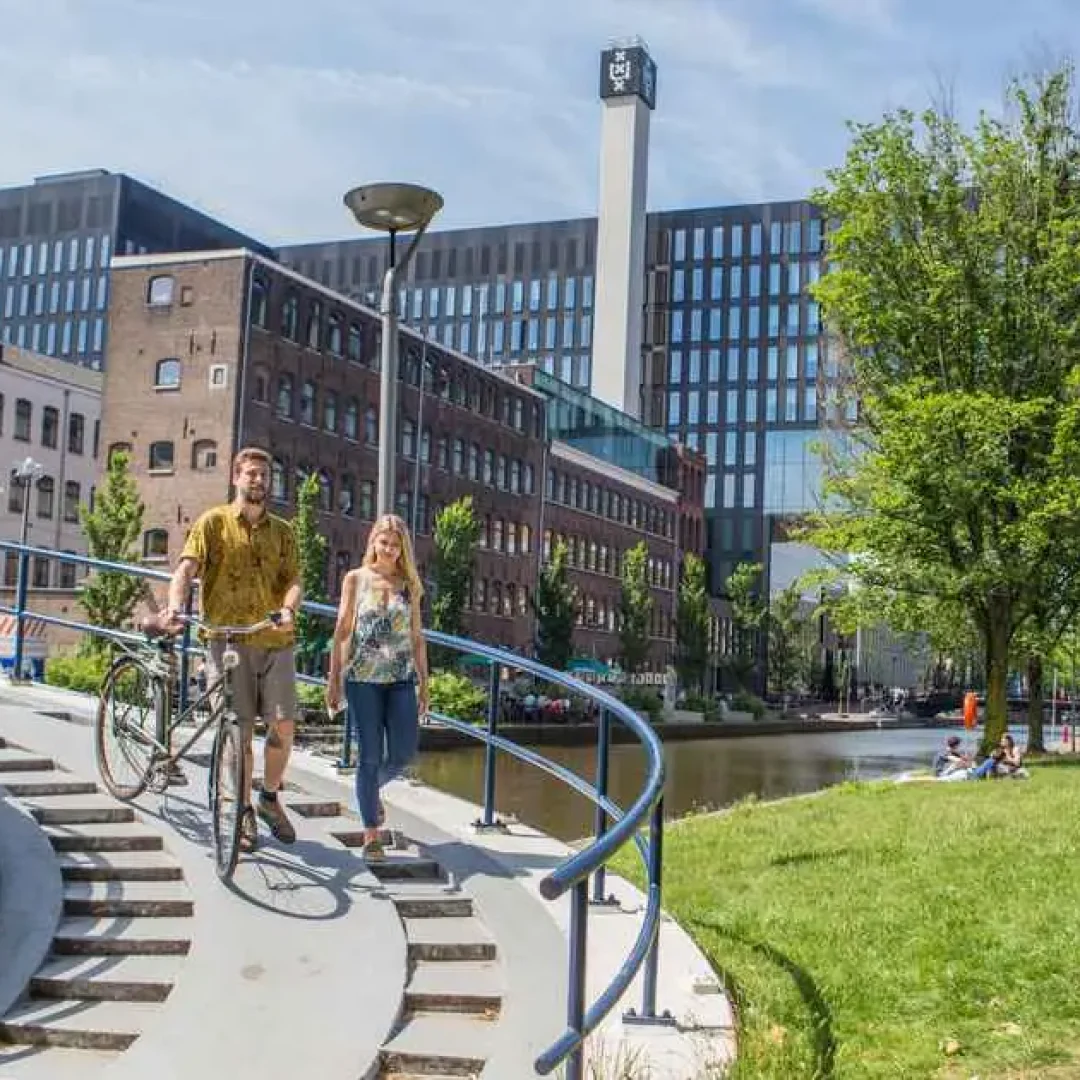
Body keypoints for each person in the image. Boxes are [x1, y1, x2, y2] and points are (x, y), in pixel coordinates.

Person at [162, 447, 302, 853]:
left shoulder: (283, 531)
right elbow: (186, 569)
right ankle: (241, 811)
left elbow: (294, 579)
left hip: (274, 639)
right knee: (238, 733)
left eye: (264, 475)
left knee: (283, 727)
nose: (258, 481)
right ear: (236, 478)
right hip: (227, 641)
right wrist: (176, 604)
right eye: (251, 474)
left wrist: (288, 608)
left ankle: (270, 798)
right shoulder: (213, 523)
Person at [327, 514, 429, 861]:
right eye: (383, 542)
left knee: (402, 753)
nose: (388, 549)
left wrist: (425, 684)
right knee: (369, 756)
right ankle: (371, 835)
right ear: (373, 542)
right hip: (362, 680)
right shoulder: (355, 580)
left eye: (395, 544)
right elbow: (342, 631)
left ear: (403, 549)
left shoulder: (409, 586)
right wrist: (333, 680)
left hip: (400, 680)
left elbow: (417, 637)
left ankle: (369, 791)